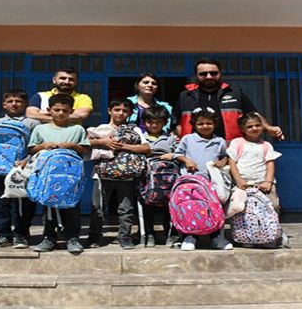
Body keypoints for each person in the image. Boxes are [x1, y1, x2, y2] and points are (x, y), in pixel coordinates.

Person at [29, 94, 91, 254]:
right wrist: (43, 146)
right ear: (49, 110)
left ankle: (73, 238)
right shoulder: (40, 129)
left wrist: (73, 146)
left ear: (71, 111)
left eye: (65, 110)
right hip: (47, 176)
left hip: (70, 175)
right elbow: (31, 149)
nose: (61, 113)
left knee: (72, 206)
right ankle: (49, 238)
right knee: (48, 207)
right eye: (56, 110)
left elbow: (85, 150)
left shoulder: (77, 129)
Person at [0, 89, 39, 249]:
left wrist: (26, 161)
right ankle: (3, 235)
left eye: (18, 101)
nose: (14, 104)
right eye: (10, 101)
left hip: (22, 169)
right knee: (1, 203)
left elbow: (35, 146)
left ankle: (21, 234)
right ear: (4, 104)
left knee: (22, 204)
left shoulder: (33, 123)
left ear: (25, 104)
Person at [173, 57, 283, 143]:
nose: (209, 76)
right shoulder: (185, 95)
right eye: (203, 74)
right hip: (194, 150)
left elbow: (252, 114)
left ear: (220, 73)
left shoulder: (234, 92)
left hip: (230, 149)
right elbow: (178, 123)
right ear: (196, 75)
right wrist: (181, 140)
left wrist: (268, 128)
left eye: (213, 73)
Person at [87, 99, 150, 249]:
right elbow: (85, 143)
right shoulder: (100, 129)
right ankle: (94, 237)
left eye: (125, 111)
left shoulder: (134, 130)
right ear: (109, 111)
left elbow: (145, 148)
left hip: (127, 175)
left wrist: (121, 146)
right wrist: (103, 142)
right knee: (98, 207)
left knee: (126, 208)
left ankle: (124, 237)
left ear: (130, 113)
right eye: (117, 110)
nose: (121, 113)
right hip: (101, 175)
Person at [172, 107, 232, 251]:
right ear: (194, 124)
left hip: (211, 183)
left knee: (214, 209)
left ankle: (216, 238)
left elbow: (225, 156)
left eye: (209, 123)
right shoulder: (188, 139)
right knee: (191, 209)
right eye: (201, 123)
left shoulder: (219, 141)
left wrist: (222, 161)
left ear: (215, 124)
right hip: (191, 182)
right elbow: (177, 154)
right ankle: (190, 237)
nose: (205, 126)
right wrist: (187, 160)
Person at [139, 106, 178, 247]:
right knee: (147, 207)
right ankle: (149, 234)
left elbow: (179, 153)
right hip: (147, 181)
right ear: (144, 122)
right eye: (150, 122)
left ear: (165, 122)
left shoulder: (171, 139)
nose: (154, 125)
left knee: (169, 209)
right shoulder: (141, 138)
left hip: (168, 182)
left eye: (158, 122)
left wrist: (172, 155)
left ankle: (170, 235)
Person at [227, 112, 282, 212]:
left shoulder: (266, 145)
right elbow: (232, 162)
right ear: (242, 129)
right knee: (240, 209)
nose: (254, 128)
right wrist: (238, 180)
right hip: (243, 184)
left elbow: (270, 164)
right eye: (250, 126)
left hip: (262, 183)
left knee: (273, 206)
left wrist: (268, 182)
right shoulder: (237, 143)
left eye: (258, 125)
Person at [26, 67, 93, 125]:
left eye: (71, 79)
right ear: (54, 80)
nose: (66, 82)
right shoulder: (40, 96)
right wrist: (66, 116)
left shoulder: (83, 98)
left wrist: (45, 113)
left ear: (76, 82)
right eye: (63, 78)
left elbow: (80, 115)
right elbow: (30, 114)